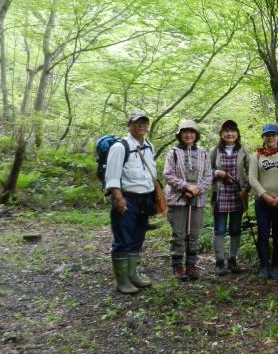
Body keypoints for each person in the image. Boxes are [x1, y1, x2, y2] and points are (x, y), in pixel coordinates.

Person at [104, 110, 157, 294]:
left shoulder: (149, 146)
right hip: (126, 199)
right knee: (123, 239)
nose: (140, 125)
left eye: (143, 122)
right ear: (130, 125)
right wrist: (118, 198)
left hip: (145, 200)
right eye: (137, 123)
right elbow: (112, 176)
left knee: (137, 238)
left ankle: (133, 275)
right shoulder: (120, 147)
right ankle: (122, 280)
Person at [163, 119, 213, 281]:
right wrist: (185, 187)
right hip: (177, 199)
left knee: (194, 234)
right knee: (178, 233)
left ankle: (191, 264)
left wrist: (197, 189)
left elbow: (208, 175)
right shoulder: (173, 153)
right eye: (185, 132)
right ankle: (178, 265)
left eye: (192, 132)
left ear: (196, 135)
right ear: (180, 134)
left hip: (197, 200)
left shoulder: (203, 153)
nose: (189, 135)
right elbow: (168, 174)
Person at [248, 124, 278, 279]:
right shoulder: (257, 156)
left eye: (273, 135)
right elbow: (252, 179)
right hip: (263, 203)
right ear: (263, 138)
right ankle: (264, 266)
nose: (271, 138)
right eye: (267, 135)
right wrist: (264, 195)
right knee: (263, 234)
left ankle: (276, 267)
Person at [209, 120, 249, 275]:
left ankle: (232, 260)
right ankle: (219, 261)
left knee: (235, 229)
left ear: (237, 134)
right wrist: (217, 173)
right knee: (219, 229)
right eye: (226, 131)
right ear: (221, 134)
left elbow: (250, 173)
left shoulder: (243, 151)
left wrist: (246, 189)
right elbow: (207, 172)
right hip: (220, 195)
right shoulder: (214, 151)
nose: (229, 134)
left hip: (238, 196)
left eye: (232, 131)